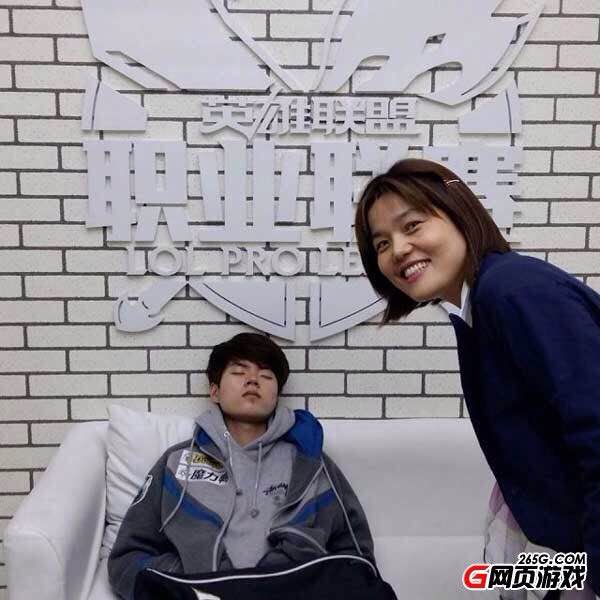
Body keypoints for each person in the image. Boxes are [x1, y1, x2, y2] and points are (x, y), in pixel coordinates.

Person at [354, 158, 600, 598]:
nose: (399, 250)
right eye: (382, 243)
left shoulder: (512, 290)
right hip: (559, 547)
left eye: (413, 226)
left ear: (459, 212)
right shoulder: (475, 307)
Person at [108, 332, 385, 600]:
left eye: (266, 375)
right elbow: (127, 558)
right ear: (214, 391)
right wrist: (187, 580)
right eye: (239, 372)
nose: (253, 379)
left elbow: (356, 557)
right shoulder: (177, 463)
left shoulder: (311, 463)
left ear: (277, 394)